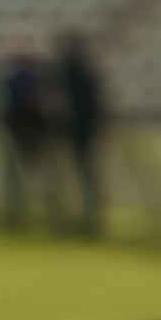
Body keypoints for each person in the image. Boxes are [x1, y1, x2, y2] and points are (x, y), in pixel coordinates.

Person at [53, 29, 106, 236]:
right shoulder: (82, 70)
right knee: (81, 177)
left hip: (77, 132)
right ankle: (85, 219)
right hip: (78, 132)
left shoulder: (70, 72)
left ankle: (87, 219)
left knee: (82, 177)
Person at [0, 36, 48, 229]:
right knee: (17, 174)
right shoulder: (12, 77)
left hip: (33, 130)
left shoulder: (35, 76)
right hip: (19, 129)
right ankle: (18, 213)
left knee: (35, 173)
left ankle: (33, 212)